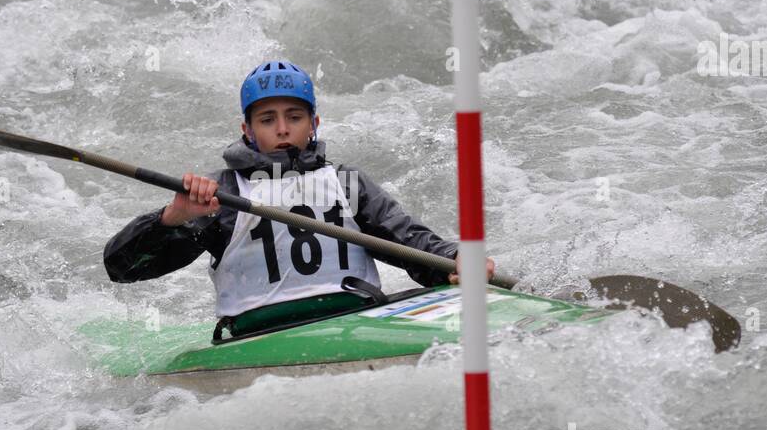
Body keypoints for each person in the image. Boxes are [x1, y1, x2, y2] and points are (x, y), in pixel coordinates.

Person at [103, 60, 495, 339]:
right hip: (258, 334)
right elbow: (122, 268)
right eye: (267, 119)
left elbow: (410, 242)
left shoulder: (346, 182)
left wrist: (455, 261)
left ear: (314, 124)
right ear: (248, 129)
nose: (283, 129)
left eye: (294, 117)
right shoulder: (220, 193)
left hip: (353, 322)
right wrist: (172, 218)